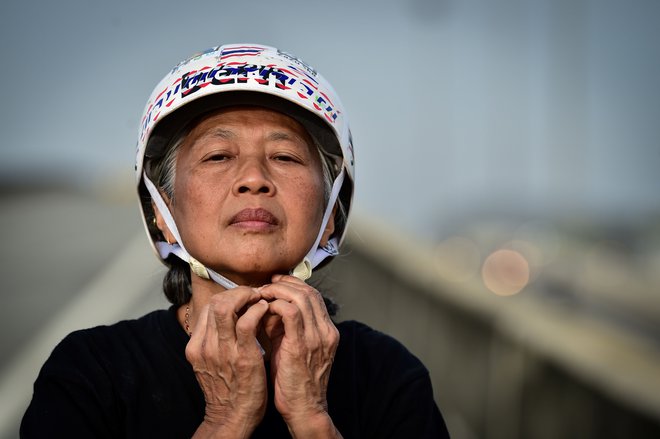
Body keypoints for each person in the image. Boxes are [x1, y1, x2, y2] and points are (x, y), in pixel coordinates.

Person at [21, 44, 449, 438]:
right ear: (162, 214)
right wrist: (227, 419)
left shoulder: (388, 375)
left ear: (331, 216)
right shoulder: (92, 372)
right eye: (218, 156)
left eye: (285, 157)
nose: (253, 180)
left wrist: (312, 416)